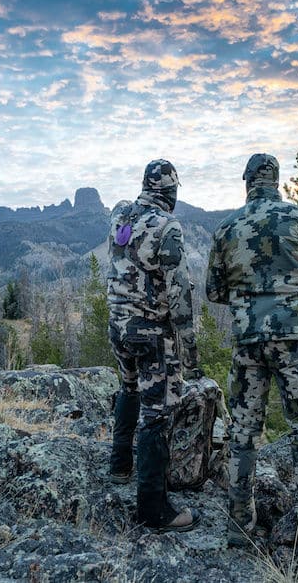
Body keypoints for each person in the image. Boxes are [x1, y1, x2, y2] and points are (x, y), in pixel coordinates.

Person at [206, 153, 298, 557]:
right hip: (294, 339)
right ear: (277, 181)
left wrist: (250, 298)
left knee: (243, 429)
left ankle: (240, 522)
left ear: (247, 182)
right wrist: (293, 295)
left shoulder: (227, 228)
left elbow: (214, 292)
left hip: (248, 340)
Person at [107, 159, 202, 533]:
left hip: (118, 325)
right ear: (172, 192)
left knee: (127, 387)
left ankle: (119, 465)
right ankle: (153, 508)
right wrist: (191, 353)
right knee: (157, 413)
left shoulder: (119, 213)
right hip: (151, 334)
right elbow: (179, 297)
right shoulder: (168, 228)